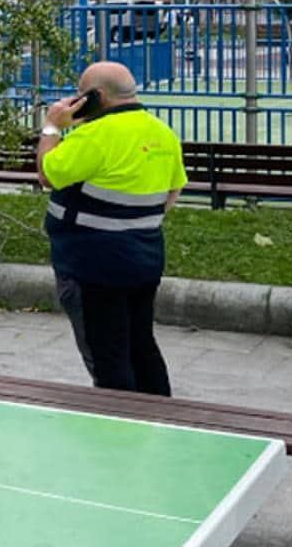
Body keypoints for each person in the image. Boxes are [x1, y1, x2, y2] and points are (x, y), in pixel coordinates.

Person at [36, 61, 186, 396]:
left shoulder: (93, 136)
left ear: (95, 96)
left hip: (91, 266)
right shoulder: (162, 132)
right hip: (144, 259)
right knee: (141, 344)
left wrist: (51, 128)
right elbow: (173, 190)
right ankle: (163, 420)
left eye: (80, 95)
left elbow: (48, 173)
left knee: (108, 356)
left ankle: (120, 429)